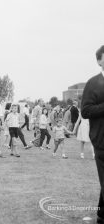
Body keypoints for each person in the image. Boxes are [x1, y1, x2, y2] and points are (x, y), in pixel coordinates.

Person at [81, 45, 104, 224]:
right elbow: (85, 111)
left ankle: (101, 215)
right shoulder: (93, 83)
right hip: (102, 139)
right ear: (99, 61)